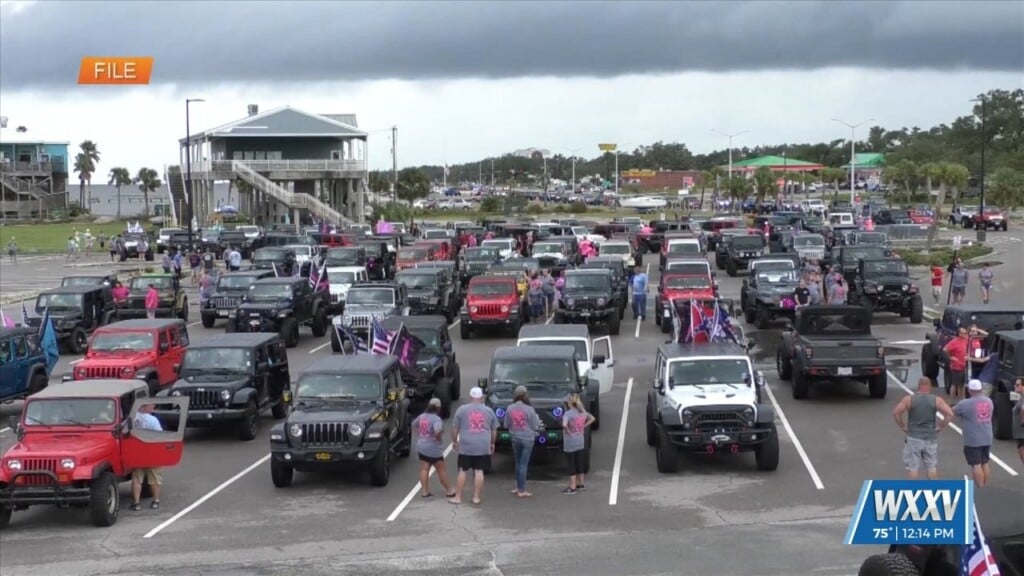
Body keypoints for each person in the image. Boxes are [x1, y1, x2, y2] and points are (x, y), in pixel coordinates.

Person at [892, 377, 954, 480]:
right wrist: (940, 426)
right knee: (931, 467)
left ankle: (914, 492)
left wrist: (903, 426)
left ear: (918, 386)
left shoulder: (909, 399)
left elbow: (896, 413)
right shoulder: (936, 400)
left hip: (914, 437)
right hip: (930, 437)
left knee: (913, 467)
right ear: (929, 386)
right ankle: (933, 491)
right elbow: (949, 414)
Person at [449, 386, 498, 506]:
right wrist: (492, 443)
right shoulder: (488, 411)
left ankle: (458, 497)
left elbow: (455, 428)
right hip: (482, 445)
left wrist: (455, 441)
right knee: (479, 471)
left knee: (462, 470)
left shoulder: (462, 410)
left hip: (466, 445)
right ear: (481, 398)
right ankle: (476, 497)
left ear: (471, 397)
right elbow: (494, 430)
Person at [411, 398, 455, 499]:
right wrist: (438, 437)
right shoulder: (436, 419)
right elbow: (437, 431)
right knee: (441, 470)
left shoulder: (422, 416)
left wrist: (420, 433)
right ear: (438, 408)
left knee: (424, 468)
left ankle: (425, 491)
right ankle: (449, 490)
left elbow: (414, 425)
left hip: (421, 446)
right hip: (433, 448)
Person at [953, 379, 994, 487]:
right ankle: (985, 484)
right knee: (985, 462)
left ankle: (980, 486)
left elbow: (953, 411)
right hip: (987, 436)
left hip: (973, 439)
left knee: (976, 464)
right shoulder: (989, 401)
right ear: (980, 389)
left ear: (970, 390)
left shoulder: (965, 403)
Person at [503, 386, 541, 498]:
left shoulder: (510, 408)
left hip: (514, 437)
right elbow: (535, 425)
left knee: (518, 462)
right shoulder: (529, 408)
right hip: (527, 438)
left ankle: (518, 486)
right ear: (525, 395)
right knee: (523, 464)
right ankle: (522, 490)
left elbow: (506, 424)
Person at [130, 403, 163, 510]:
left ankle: (136, 503)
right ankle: (156, 501)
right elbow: (160, 435)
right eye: (151, 405)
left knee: (137, 479)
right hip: (151, 452)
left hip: (137, 453)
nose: (153, 407)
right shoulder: (153, 420)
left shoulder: (132, 418)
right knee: (154, 478)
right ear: (144, 407)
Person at [562, 393, 595, 494]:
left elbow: (564, 424)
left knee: (571, 464)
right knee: (579, 462)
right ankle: (581, 484)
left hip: (570, 443)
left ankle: (572, 487)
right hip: (580, 441)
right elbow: (593, 418)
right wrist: (584, 426)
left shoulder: (568, 414)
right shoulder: (582, 412)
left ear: (569, 403)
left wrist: (568, 431)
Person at [942, 327, 969, 398]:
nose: (966, 334)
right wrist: (951, 357)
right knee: (954, 384)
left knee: (962, 385)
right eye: (964, 333)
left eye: (966, 333)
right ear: (959, 334)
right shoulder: (954, 341)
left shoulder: (966, 340)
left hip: (964, 366)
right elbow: (945, 349)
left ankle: (961, 399)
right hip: (957, 367)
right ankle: (952, 399)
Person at [1012, 377, 1024, 465]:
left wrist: (1022, 422)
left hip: (1021, 434)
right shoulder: (1019, 397)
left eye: (1017, 385)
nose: (1015, 386)